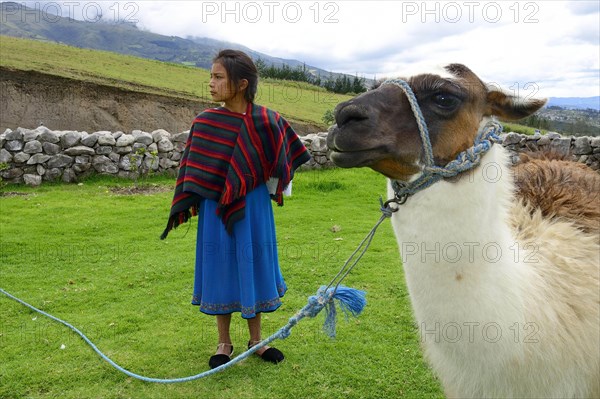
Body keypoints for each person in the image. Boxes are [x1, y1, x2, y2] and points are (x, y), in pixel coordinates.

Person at [160, 49, 310, 369]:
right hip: (216, 208)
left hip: (254, 207)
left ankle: (257, 341)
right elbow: (192, 170)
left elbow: (286, 158)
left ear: (241, 84)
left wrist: (275, 179)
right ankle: (223, 343)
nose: (210, 83)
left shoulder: (267, 121)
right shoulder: (205, 123)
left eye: (218, 77)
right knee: (222, 266)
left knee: (252, 263)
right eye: (211, 77)